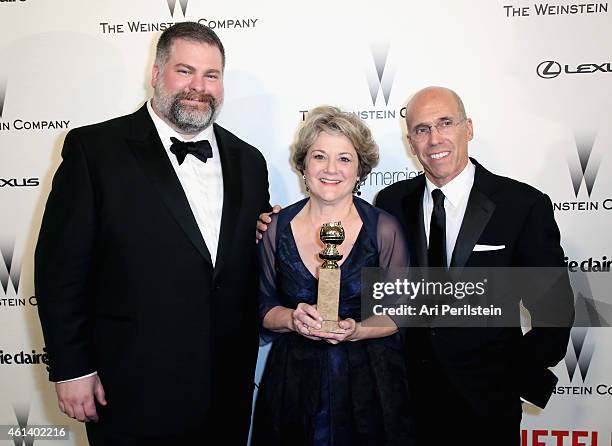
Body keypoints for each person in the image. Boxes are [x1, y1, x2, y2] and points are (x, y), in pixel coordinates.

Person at [35, 22, 270, 445]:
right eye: (185, 71)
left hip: (226, 389)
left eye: (211, 75)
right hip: (130, 389)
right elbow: (60, 268)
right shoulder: (95, 150)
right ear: (157, 73)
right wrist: (72, 368)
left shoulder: (250, 161)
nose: (198, 86)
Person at [375, 86, 573, 445]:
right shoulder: (391, 202)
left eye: (445, 123)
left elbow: (555, 312)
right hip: (405, 403)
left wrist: (510, 376)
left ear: (468, 128)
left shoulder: (521, 205)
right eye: (422, 129)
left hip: (486, 407)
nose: (434, 138)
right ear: (410, 141)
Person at [252, 106, 415, 445]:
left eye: (344, 158)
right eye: (319, 156)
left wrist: (358, 331)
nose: (330, 169)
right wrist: (292, 318)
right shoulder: (274, 228)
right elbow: (263, 306)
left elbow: (401, 312)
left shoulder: (383, 229)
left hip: (369, 386)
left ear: (360, 170)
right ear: (303, 165)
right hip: (292, 385)